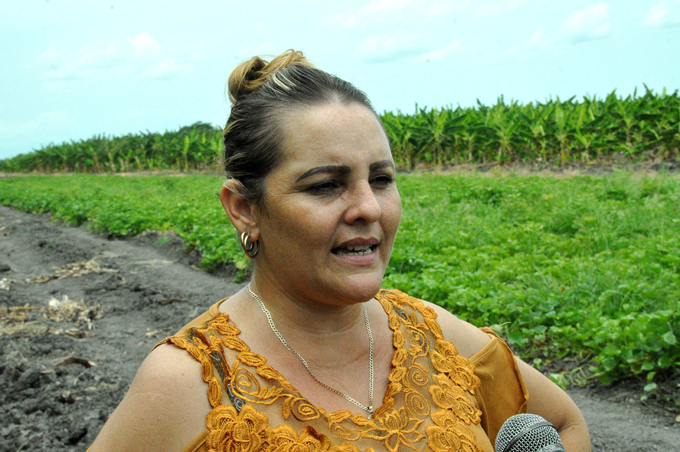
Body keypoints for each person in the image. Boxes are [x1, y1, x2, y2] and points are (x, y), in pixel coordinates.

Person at [89, 50, 591, 452]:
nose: (368, 207)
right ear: (244, 208)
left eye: (381, 179)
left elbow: (565, 424)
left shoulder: (437, 339)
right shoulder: (191, 383)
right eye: (327, 185)